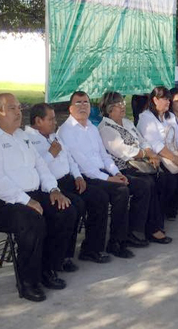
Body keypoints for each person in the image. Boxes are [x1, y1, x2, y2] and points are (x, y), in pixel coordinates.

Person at [0, 94, 77, 303]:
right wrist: (26, 201)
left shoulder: (21, 136)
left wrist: (53, 189)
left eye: (19, 107)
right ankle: (28, 282)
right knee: (32, 220)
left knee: (65, 210)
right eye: (12, 108)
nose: (18, 112)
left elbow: (41, 166)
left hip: (30, 195)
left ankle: (48, 269)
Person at [25, 103, 111, 266]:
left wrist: (78, 176)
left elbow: (69, 158)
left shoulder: (53, 136)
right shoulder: (29, 140)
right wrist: (50, 154)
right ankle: (63, 256)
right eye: (51, 119)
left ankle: (92, 249)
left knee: (99, 197)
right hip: (49, 186)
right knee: (73, 206)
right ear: (38, 121)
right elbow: (34, 168)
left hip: (68, 179)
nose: (55, 122)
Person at [57, 91, 139, 259]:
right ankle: (93, 248)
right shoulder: (66, 131)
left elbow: (104, 156)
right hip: (82, 177)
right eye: (78, 103)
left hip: (101, 173)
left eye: (86, 102)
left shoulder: (92, 128)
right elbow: (83, 165)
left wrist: (116, 172)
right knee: (113, 193)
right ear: (70, 108)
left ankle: (118, 241)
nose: (83, 106)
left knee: (128, 186)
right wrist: (109, 179)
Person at [98, 92, 172, 244]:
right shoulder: (105, 128)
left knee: (161, 178)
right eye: (118, 105)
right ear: (109, 109)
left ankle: (152, 225)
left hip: (138, 163)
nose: (122, 107)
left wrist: (151, 154)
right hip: (120, 168)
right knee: (145, 184)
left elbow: (142, 140)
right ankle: (135, 230)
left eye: (123, 103)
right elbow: (124, 151)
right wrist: (146, 154)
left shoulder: (127, 122)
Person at [137, 87, 178, 219]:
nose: (168, 102)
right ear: (155, 100)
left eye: (169, 99)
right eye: (165, 99)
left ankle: (172, 209)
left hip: (173, 153)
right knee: (170, 180)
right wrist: (175, 158)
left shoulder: (170, 116)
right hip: (157, 156)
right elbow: (156, 144)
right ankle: (163, 211)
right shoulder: (146, 118)